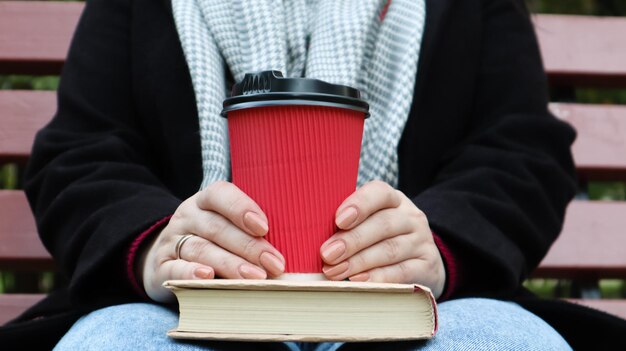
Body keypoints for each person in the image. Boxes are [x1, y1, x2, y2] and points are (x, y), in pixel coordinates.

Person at [1, 0, 624, 350]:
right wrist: (159, 246)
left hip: (423, 308)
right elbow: (79, 152)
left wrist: (436, 246)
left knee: (496, 344)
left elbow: (523, 152)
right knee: (121, 346)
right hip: (179, 310)